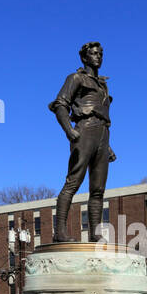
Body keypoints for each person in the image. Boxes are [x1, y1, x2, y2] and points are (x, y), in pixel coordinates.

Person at [48, 41, 116, 241]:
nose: (98, 57)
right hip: (84, 130)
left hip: (103, 133)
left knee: (98, 189)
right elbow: (60, 104)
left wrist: (108, 145)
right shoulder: (75, 78)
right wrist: (69, 130)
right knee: (73, 183)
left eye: (100, 54)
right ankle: (60, 232)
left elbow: (102, 114)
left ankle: (95, 235)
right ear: (84, 58)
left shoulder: (103, 84)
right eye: (94, 54)